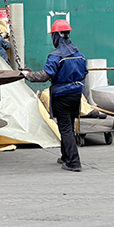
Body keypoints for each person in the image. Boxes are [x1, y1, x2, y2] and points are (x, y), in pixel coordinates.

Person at [21, 19, 88, 172]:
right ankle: (65, 156)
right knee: (69, 125)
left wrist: (27, 75)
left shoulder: (55, 56)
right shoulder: (79, 54)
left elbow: (44, 75)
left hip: (62, 96)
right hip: (76, 95)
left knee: (65, 128)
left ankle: (74, 162)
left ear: (56, 36)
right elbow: (84, 73)